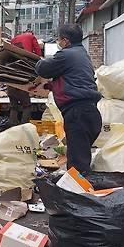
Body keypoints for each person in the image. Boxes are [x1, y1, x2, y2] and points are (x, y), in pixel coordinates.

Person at [35, 24, 101, 173]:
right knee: (79, 157)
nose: (59, 43)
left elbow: (42, 69)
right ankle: (78, 189)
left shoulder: (66, 55)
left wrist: (36, 57)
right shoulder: (82, 53)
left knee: (78, 166)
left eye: (59, 40)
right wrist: (52, 86)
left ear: (65, 41)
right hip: (89, 113)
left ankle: (77, 193)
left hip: (78, 114)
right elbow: (73, 80)